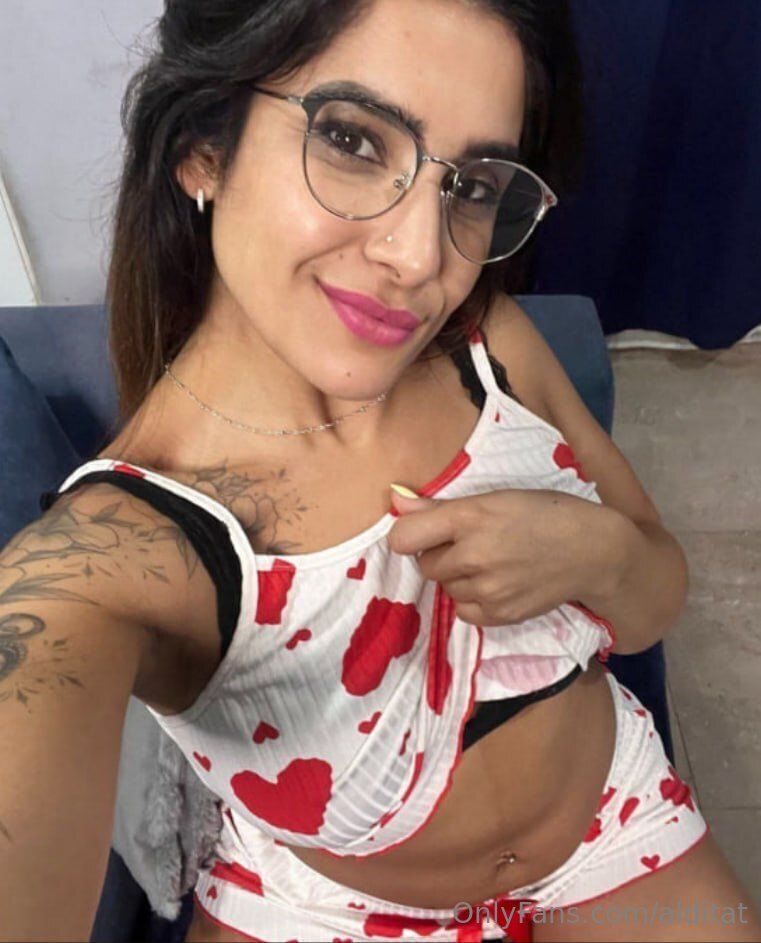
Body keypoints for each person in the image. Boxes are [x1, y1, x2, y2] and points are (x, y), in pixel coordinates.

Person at [1, 0, 759, 940]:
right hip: (322, 905)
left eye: (471, 186)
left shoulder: (486, 345)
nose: (419, 257)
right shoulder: (124, 554)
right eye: (352, 140)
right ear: (202, 148)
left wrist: (596, 552)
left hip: (610, 824)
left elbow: (652, 600)